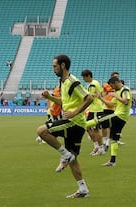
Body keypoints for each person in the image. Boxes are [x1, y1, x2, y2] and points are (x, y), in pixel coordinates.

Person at [36, 54, 93, 198]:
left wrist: (74, 112)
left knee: (41, 131)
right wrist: (50, 97)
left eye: (55, 66)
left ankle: (64, 155)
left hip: (74, 123)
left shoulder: (73, 81)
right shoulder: (63, 82)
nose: (53, 69)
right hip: (76, 124)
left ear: (62, 66)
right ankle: (83, 189)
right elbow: (64, 102)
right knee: (73, 160)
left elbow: (89, 98)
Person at [97, 76, 132, 166]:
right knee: (114, 139)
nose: (112, 88)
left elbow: (126, 101)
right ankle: (112, 161)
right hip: (121, 118)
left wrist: (116, 96)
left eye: (112, 86)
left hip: (119, 116)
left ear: (116, 82)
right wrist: (101, 98)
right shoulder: (118, 91)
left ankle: (82, 127)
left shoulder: (125, 90)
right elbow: (111, 104)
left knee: (98, 120)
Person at [81, 69, 105, 156]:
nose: (83, 79)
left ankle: (101, 148)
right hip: (93, 109)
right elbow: (100, 93)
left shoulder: (92, 84)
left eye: (84, 77)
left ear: (88, 76)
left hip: (96, 109)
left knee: (95, 130)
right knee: (87, 127)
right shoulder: (95, 82)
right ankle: (96, 146)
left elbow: (90, 96)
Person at [102, 72, 125, 148]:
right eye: (116, 77)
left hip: (115, 107)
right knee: (105, 126)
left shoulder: (119, 87)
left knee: (114, 126)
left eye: (118, 77)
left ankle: (115, 140)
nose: (117, 78)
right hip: (107, 107)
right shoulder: (106, 85)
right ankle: (105, 141)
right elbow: (103, 94)